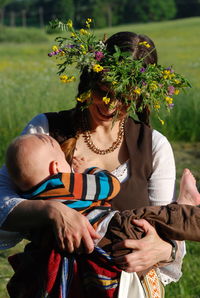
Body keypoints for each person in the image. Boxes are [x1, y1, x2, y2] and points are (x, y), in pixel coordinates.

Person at [0, 21, 191, 297]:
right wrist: (52, 211)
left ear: (140, 95)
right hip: (56, 285)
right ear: (91, 79)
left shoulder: (154, 146)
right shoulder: (45, 132)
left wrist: (165, 249)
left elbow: (164, 229)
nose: (110, 105)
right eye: (103, 91)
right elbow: (2, 201)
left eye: (123, 97)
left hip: (122, 288)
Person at [5, 133, 200, 298]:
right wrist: (90, 170)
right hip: (109, 230)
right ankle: (187, 207)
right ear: (56, 168)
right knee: (160, 217)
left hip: (86, 257)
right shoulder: (66, 182)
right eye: (64, 159)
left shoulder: (27, 197)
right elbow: (110, 186)